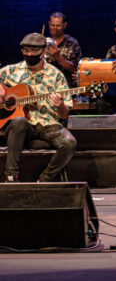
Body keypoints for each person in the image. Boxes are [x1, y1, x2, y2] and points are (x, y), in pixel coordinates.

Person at [0, 33, 76, 182]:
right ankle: (10, 177)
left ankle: (44, 180)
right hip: (21, 125)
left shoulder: (56, 75)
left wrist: (60, 105)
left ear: (44, 51)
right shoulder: (10, 71)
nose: (29, 54)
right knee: (19, 121)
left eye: (34, 51)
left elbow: (64, 115)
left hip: (47, 124)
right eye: (26, 50)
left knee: (69, 143)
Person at [44, 11, 82, 88]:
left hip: (67, 86)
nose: (55, 28)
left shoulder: (72, 43)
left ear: (64, 25)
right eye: (53, 25)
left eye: (58, 26)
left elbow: (75, 69)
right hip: (46, 86)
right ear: (49, 24)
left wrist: (58, 57)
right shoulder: (43, 43)